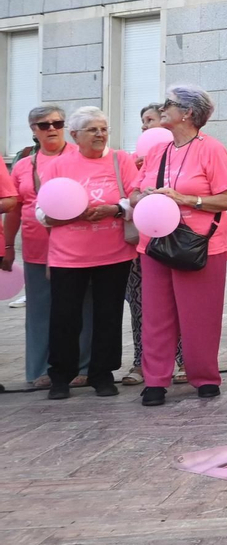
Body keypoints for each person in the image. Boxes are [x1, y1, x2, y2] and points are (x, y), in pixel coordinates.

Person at [128, 86, 227, 406]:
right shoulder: (158, 151)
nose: (162, 109)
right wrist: (144, 197)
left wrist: (186, 199)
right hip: (155, 243)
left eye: (169, 104)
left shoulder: (211, 149)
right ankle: (156, 381)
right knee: (156, 315)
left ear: (188, 113)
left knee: (199, 316)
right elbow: (134, 193)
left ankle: (204, 377)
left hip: (199, 244)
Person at [41, 108, 138, 399]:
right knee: (64, 317)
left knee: (108, 316)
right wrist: (72, 215)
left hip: (114, 254)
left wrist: (116, 209)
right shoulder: (58, 165)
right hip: (67, 256)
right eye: (92, 130)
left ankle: (102, 374)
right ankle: (60, 376)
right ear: (75, 135)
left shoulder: (122, 160)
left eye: (103, 129)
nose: (100, 134)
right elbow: (42, 211)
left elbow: (137, 198)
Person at [4, 106, 88, 389]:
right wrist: (7, 245)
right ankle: (40, 371)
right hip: (36, 246)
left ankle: (84, 367)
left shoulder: (81, 156)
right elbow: (14, 208)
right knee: (40, 310)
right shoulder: (24, 164)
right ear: (33, 130)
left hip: (78, 248)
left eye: (57, 123)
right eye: (44, 125)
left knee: (83, 308)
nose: (51, 128)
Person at [124, 100, 180, 386]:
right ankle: (141, 361)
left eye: (152, 119)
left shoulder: (182, 153)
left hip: (179, 240)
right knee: (141, 305)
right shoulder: (133, 159)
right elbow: (128, 194)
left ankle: (181, 360)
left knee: (180, 303)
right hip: (142, 242)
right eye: (144, 121)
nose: (147, 126)